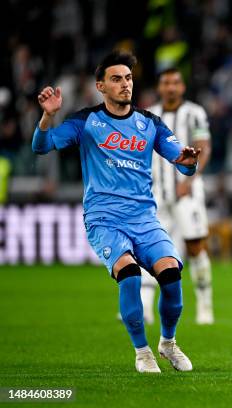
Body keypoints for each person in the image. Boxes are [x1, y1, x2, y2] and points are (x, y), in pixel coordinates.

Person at [32, 51, 199, 373]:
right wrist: (47, 117)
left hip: (144, 219)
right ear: (100, 86)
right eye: (117, 79)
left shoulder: (150, 123)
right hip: (104, 219)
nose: (125, 85)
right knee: (130, 274)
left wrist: (188, 163)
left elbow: (182, 162)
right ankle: (142, 352)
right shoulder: (86, 121)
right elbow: (42, 146)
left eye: (129, 78)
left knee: (171, 274)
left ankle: (169, 342)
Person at [139, 67, 214, 325]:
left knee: (195, 246)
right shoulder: (149, 115)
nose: (170, 87)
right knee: (150, 249)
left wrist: (190, 178)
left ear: (182, 87)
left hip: (187, 192)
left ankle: (205, 305)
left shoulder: (194, 113)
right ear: (160, 87)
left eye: (175, 83)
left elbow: (204, 149)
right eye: (166, 83)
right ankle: (145, 307)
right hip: (156, 194)